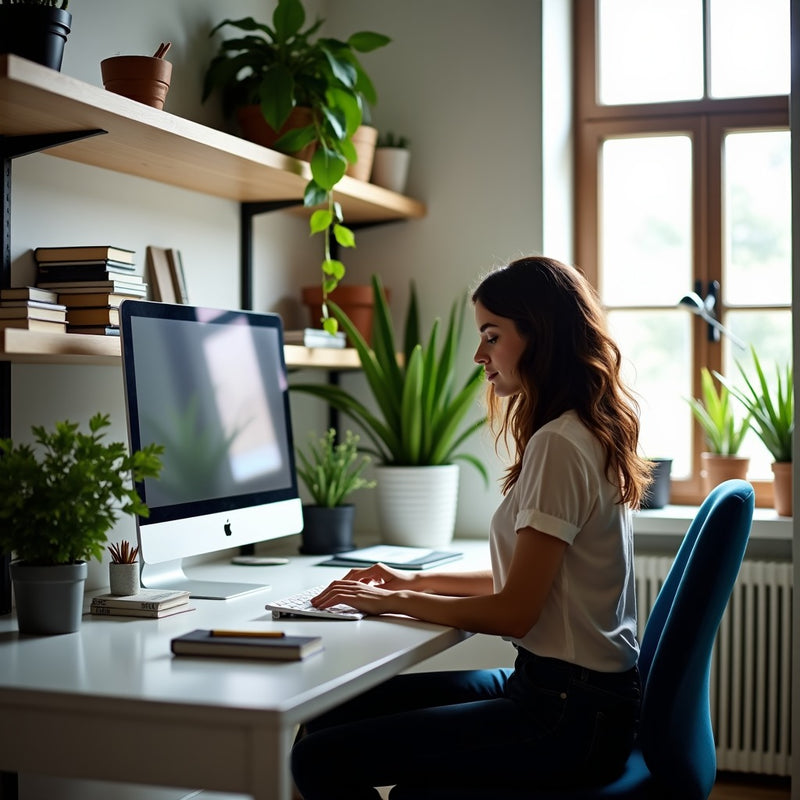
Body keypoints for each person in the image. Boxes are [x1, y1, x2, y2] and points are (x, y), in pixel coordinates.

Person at [291, 256, 653, 800]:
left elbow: (514, 610)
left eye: (492, 335)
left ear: (541, 335)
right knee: (327, 717)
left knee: (321, 755)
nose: (479, 355)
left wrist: (389, 604)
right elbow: (527, 583)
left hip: (569, 715)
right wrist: (406, 582)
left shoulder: (560, 443)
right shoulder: (576, 430)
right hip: (565, 693)